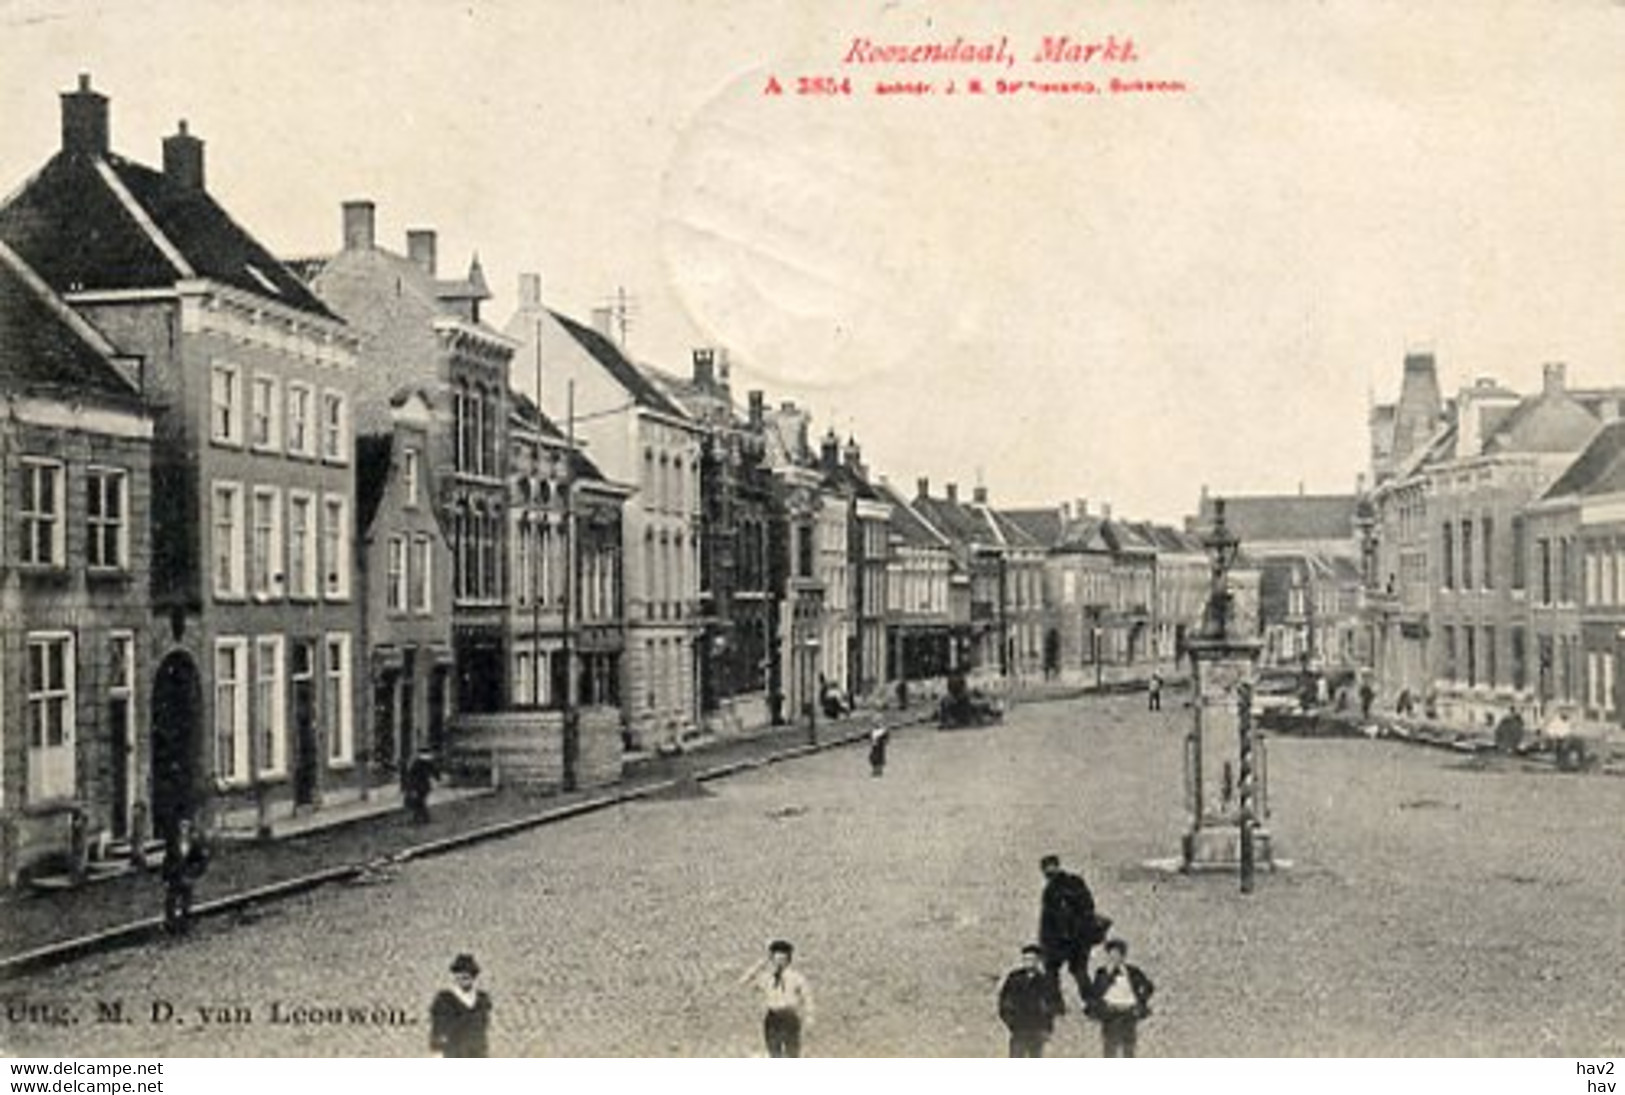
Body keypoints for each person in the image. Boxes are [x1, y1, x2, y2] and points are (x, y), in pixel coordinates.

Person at [1038, 854, 1105, 1007]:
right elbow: (1089, 907)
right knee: (1079, 970)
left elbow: (1047, 921)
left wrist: (1044, 943)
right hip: (1081, 938)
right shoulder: (1076, 881)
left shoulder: (1049, 891)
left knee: (1051, 969)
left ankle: (1056, 1005)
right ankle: (1093, 1002)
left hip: (1060, 940)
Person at [739, 939, 813, 1057]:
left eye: (783, 959)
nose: (779, 963)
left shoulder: (796, 977)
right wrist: (761, 964)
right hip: (773, 1018)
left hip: (789, 1017)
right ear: (772, 959)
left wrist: (810, 1016)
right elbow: (743, 982)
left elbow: (807, 997)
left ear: (789, 960)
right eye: (776, 959)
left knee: (792, 1053)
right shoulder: (766, 978)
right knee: (774, 1052)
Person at [1085, 938, 1155, 1057]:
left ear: (1123, 956)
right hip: (1110, 1014)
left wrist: (1141, 1000)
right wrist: (1108, 975)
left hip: (1129, 1013)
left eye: (1117, 954)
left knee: (1129, 1048)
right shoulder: (1102, 972)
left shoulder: (1133, 972)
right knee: (1110, 1049)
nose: (1114, 958)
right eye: (1111, 955)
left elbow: (1148, 986)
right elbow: (1096, 992)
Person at [998, 943, 1064, 1057]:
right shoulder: (1014, 979)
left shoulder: (1045, 981)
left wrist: (1046, 1027)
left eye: (1032, 959)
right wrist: (1011, 1022)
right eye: (1026, 959)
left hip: (1037, 1030)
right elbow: (1005, 1001)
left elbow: (1053, 1006)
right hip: (1018, 1029)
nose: (1028, 962)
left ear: (1038, 961)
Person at [429, 953, 493, 1057]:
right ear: (455, 975)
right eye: (460, 973)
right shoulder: (444, 1000)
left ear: (474, 976)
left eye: (468, 973)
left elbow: (483, 1030)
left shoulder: (482, 1001)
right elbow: (437, 1030)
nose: (464, 977)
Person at [161, 817, 209, 935]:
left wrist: (195, 873)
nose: (184, 829)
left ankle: (184, 927)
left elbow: (202, 860)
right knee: (170, 901)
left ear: (189, 829)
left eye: (186, 827)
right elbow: (167, 860)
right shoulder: (173, 842)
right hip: (174, 876)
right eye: (182, 826)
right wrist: (165, 877)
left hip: (187, 876)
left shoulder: (194, 843)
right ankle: (171, 926)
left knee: (186, 903)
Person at [405, 751, 437, 825]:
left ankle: (423, 818)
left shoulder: (416, 763)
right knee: (420, 801)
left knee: (419, 802)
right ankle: (420, 817)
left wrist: (410, 787)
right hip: (425, 786)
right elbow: (435, 772)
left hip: (418, 785)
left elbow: (411, 775)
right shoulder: (429, 763)